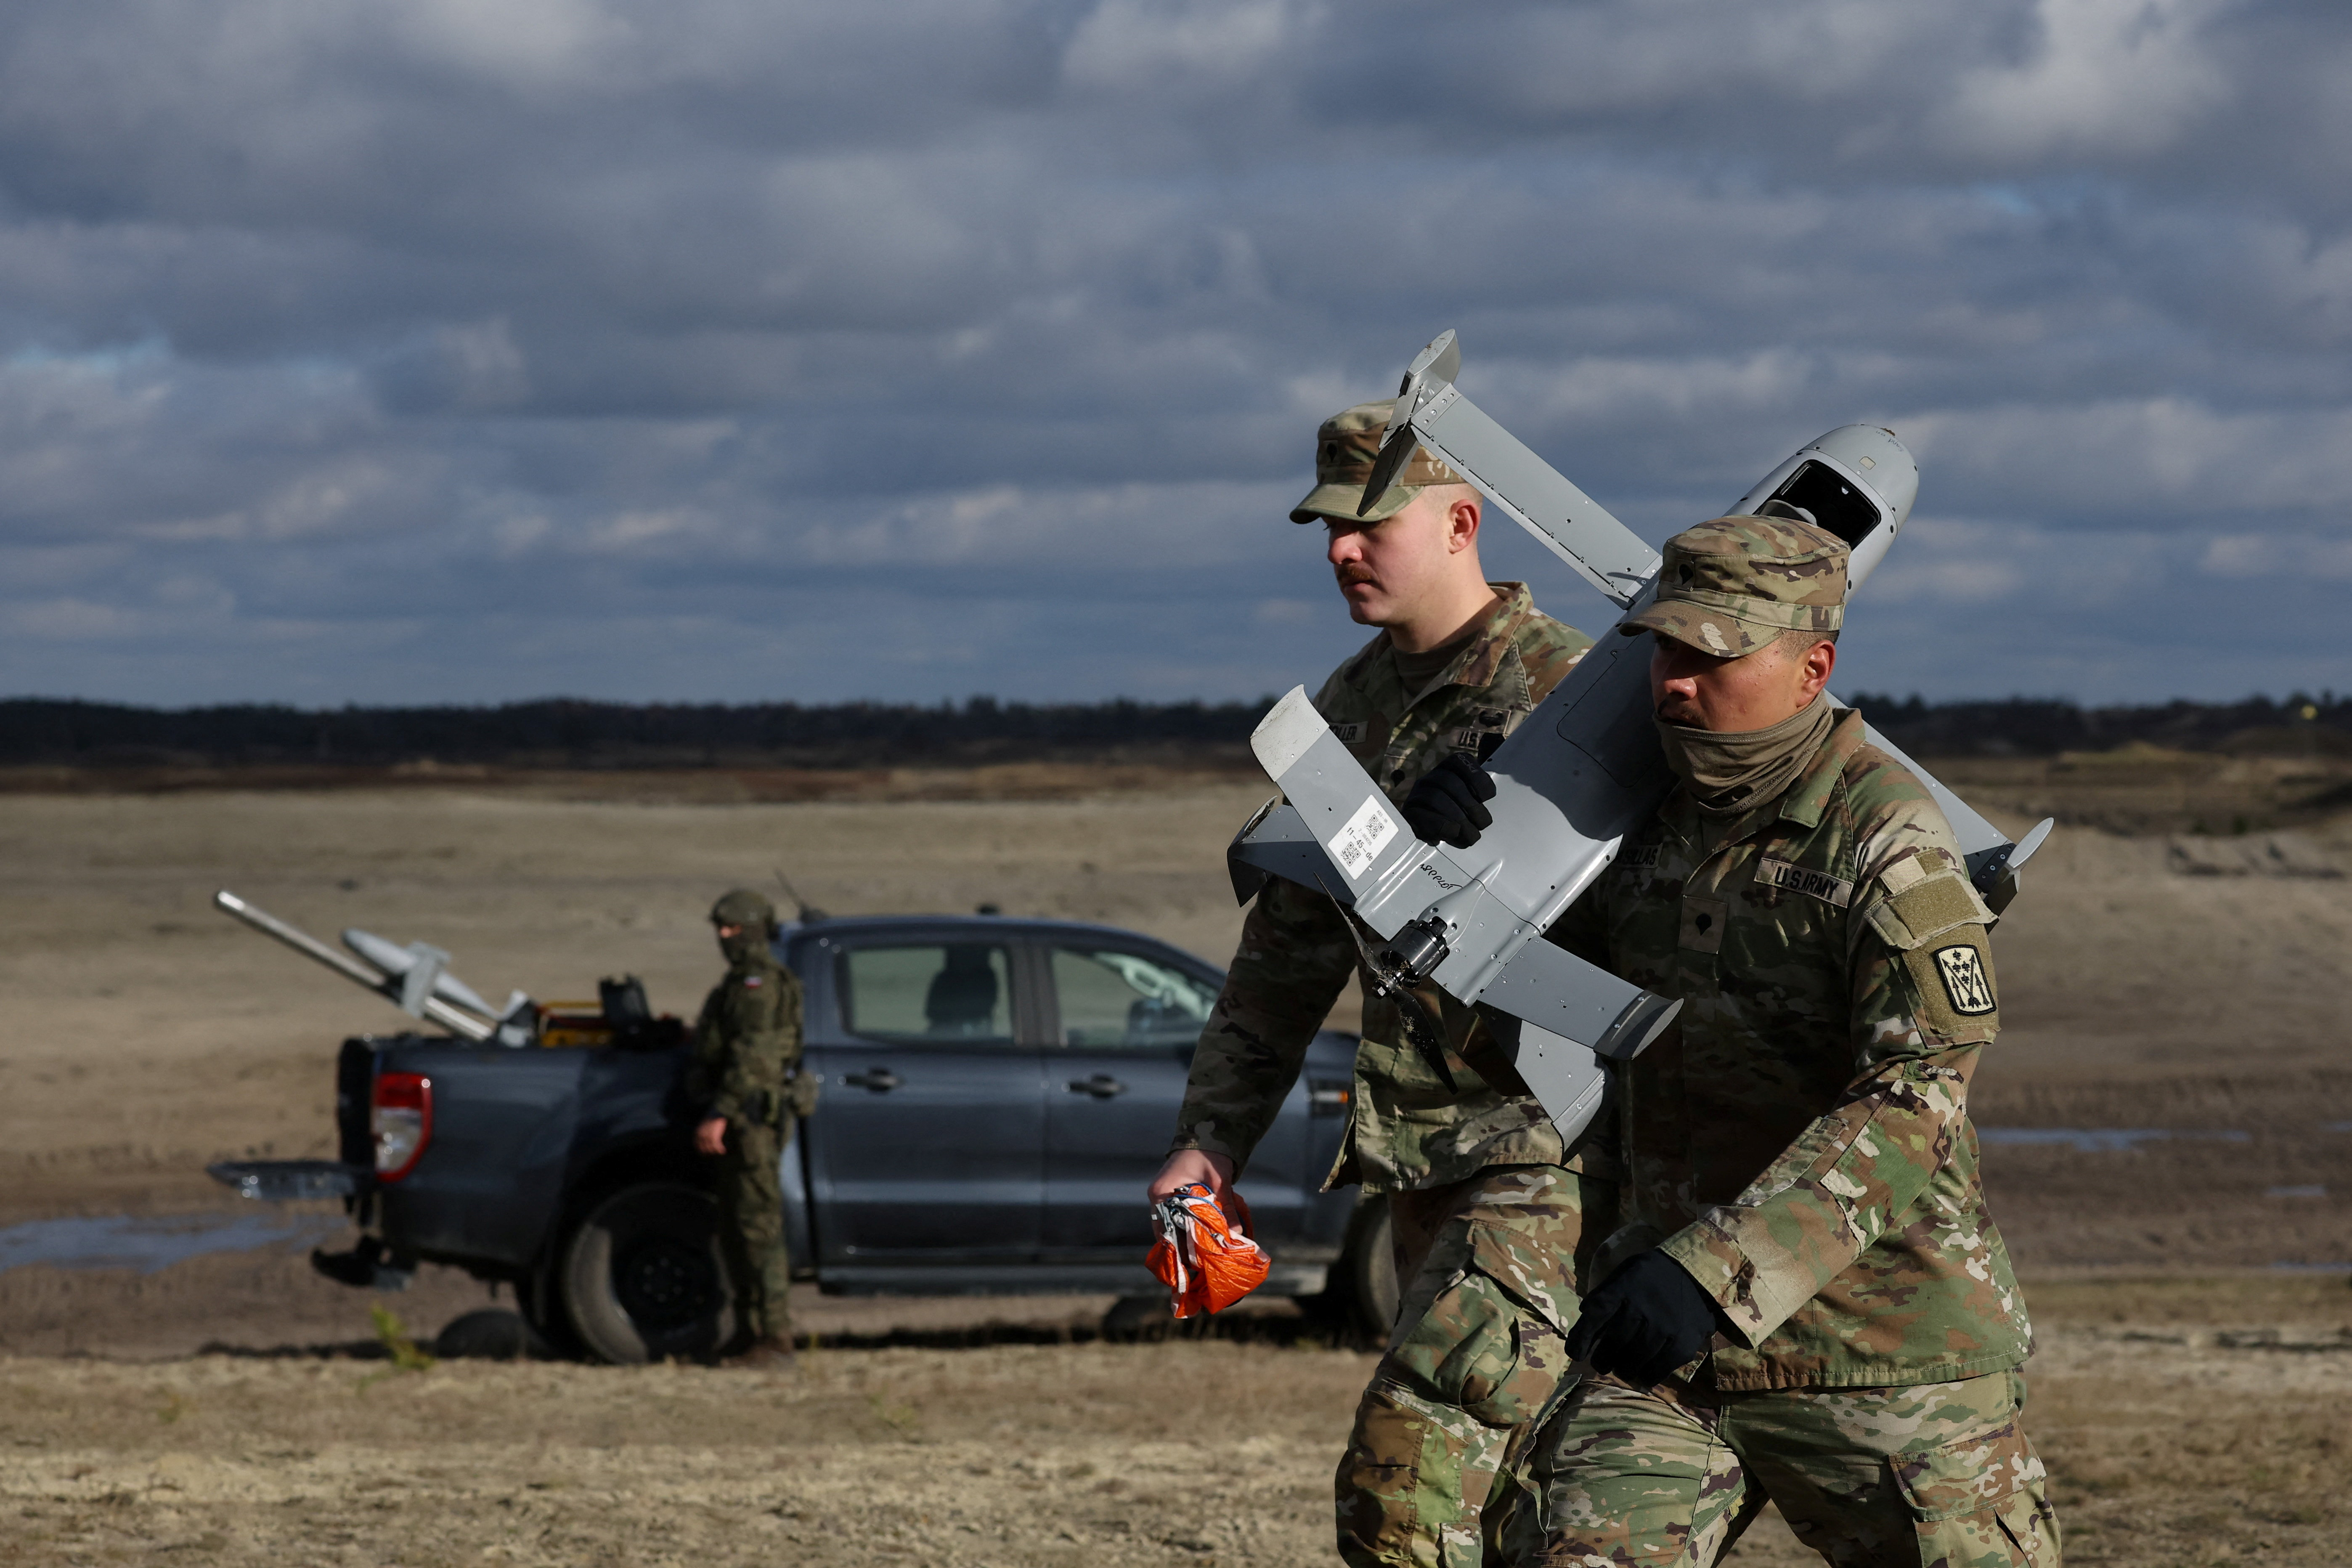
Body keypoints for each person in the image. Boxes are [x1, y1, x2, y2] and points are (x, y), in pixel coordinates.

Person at [1419, 516, 2058, 1567]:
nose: (1675, 682)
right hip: (1666, 1358)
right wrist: (1455, 863)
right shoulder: (1630, 827)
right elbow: (1502, 1038)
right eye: (1666, 650)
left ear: (1812, 668)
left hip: (1881, 1355)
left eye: (1714, 654)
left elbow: (1912, 1098)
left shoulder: (1887, 839)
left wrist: (1713, 1270)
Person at [1148, 399, 1599, 1568]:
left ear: (1460, 520)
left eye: (1367, 524)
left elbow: (1673, 918)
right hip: (1421, 1170)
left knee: (1405, 1491)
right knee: (1512, 1511)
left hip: (1550, 1154)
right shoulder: (1339, 720)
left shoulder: (1582, 696)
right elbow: (1280, 965)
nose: (1341, 550)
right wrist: (1211, 1143)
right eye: (1326, 530)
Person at [688, 888, 806, 1369]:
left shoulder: (760, 984)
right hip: (740, 1118)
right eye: (720, 928)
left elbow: (752, 1057)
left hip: (751, 1119)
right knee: (735, 1227)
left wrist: (719, 1113)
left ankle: (775, 1337)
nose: (724, 937)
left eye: (733, 929)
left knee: (758, 1227)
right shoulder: (738, 984)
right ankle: (748, 1330)